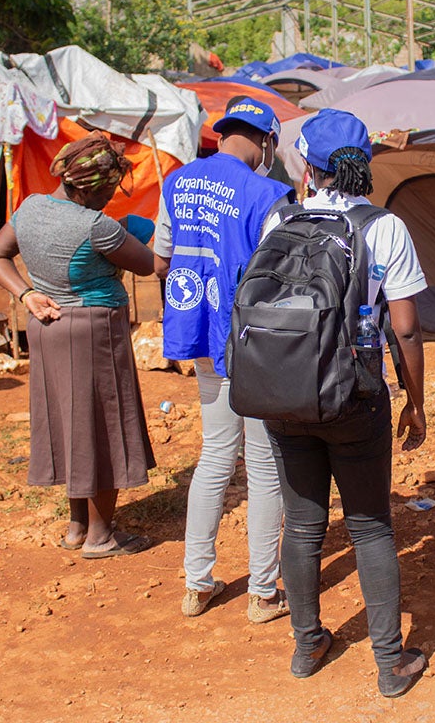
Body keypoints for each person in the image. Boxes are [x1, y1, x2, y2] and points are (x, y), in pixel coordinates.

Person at [265, 108, 428, 697]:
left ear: (309, 165)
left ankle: (307, 644)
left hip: (283, 393)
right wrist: (416, 401)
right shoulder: (384, 227)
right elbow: (406, 329)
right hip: (355, 393)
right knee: (370, 526)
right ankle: (390, 662)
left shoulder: (278, 217)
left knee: (304, 525)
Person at [0, 131, 156, 558]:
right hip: (92, 330)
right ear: (85, 187)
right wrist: (141, 231)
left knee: (70, 423)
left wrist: (25, 293)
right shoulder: (95, 226)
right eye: (107, 190)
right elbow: (153, 265)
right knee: (100, 428)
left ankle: (78, 526)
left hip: (47, 327)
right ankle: (101, 537)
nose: (109, 197)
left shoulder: (31, 208)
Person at [153, 97, 291, 624]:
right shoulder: (268, 193)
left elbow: (163, 260)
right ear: (265, 142)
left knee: (214, 457)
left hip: (202, 334)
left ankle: (197, 583)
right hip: (251, 341)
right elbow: (278, 275)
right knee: (261, 465)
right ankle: (262, 593)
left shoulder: (178, 181)